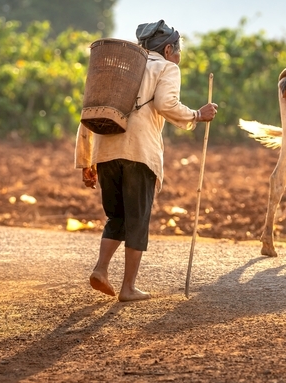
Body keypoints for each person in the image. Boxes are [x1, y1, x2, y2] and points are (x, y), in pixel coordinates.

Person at [75, 20, 218, 301]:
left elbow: (89, 111)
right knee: (138, 219)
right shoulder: (166, 67)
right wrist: (197, 115)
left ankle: (101, 269)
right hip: (139, 152)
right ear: (168, 49)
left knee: (116, 216)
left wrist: (86, 160)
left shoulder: (118, 67)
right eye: (177, 52)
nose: (178, 58)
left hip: (105, 150)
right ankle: (128, 288)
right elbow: (166, 104)